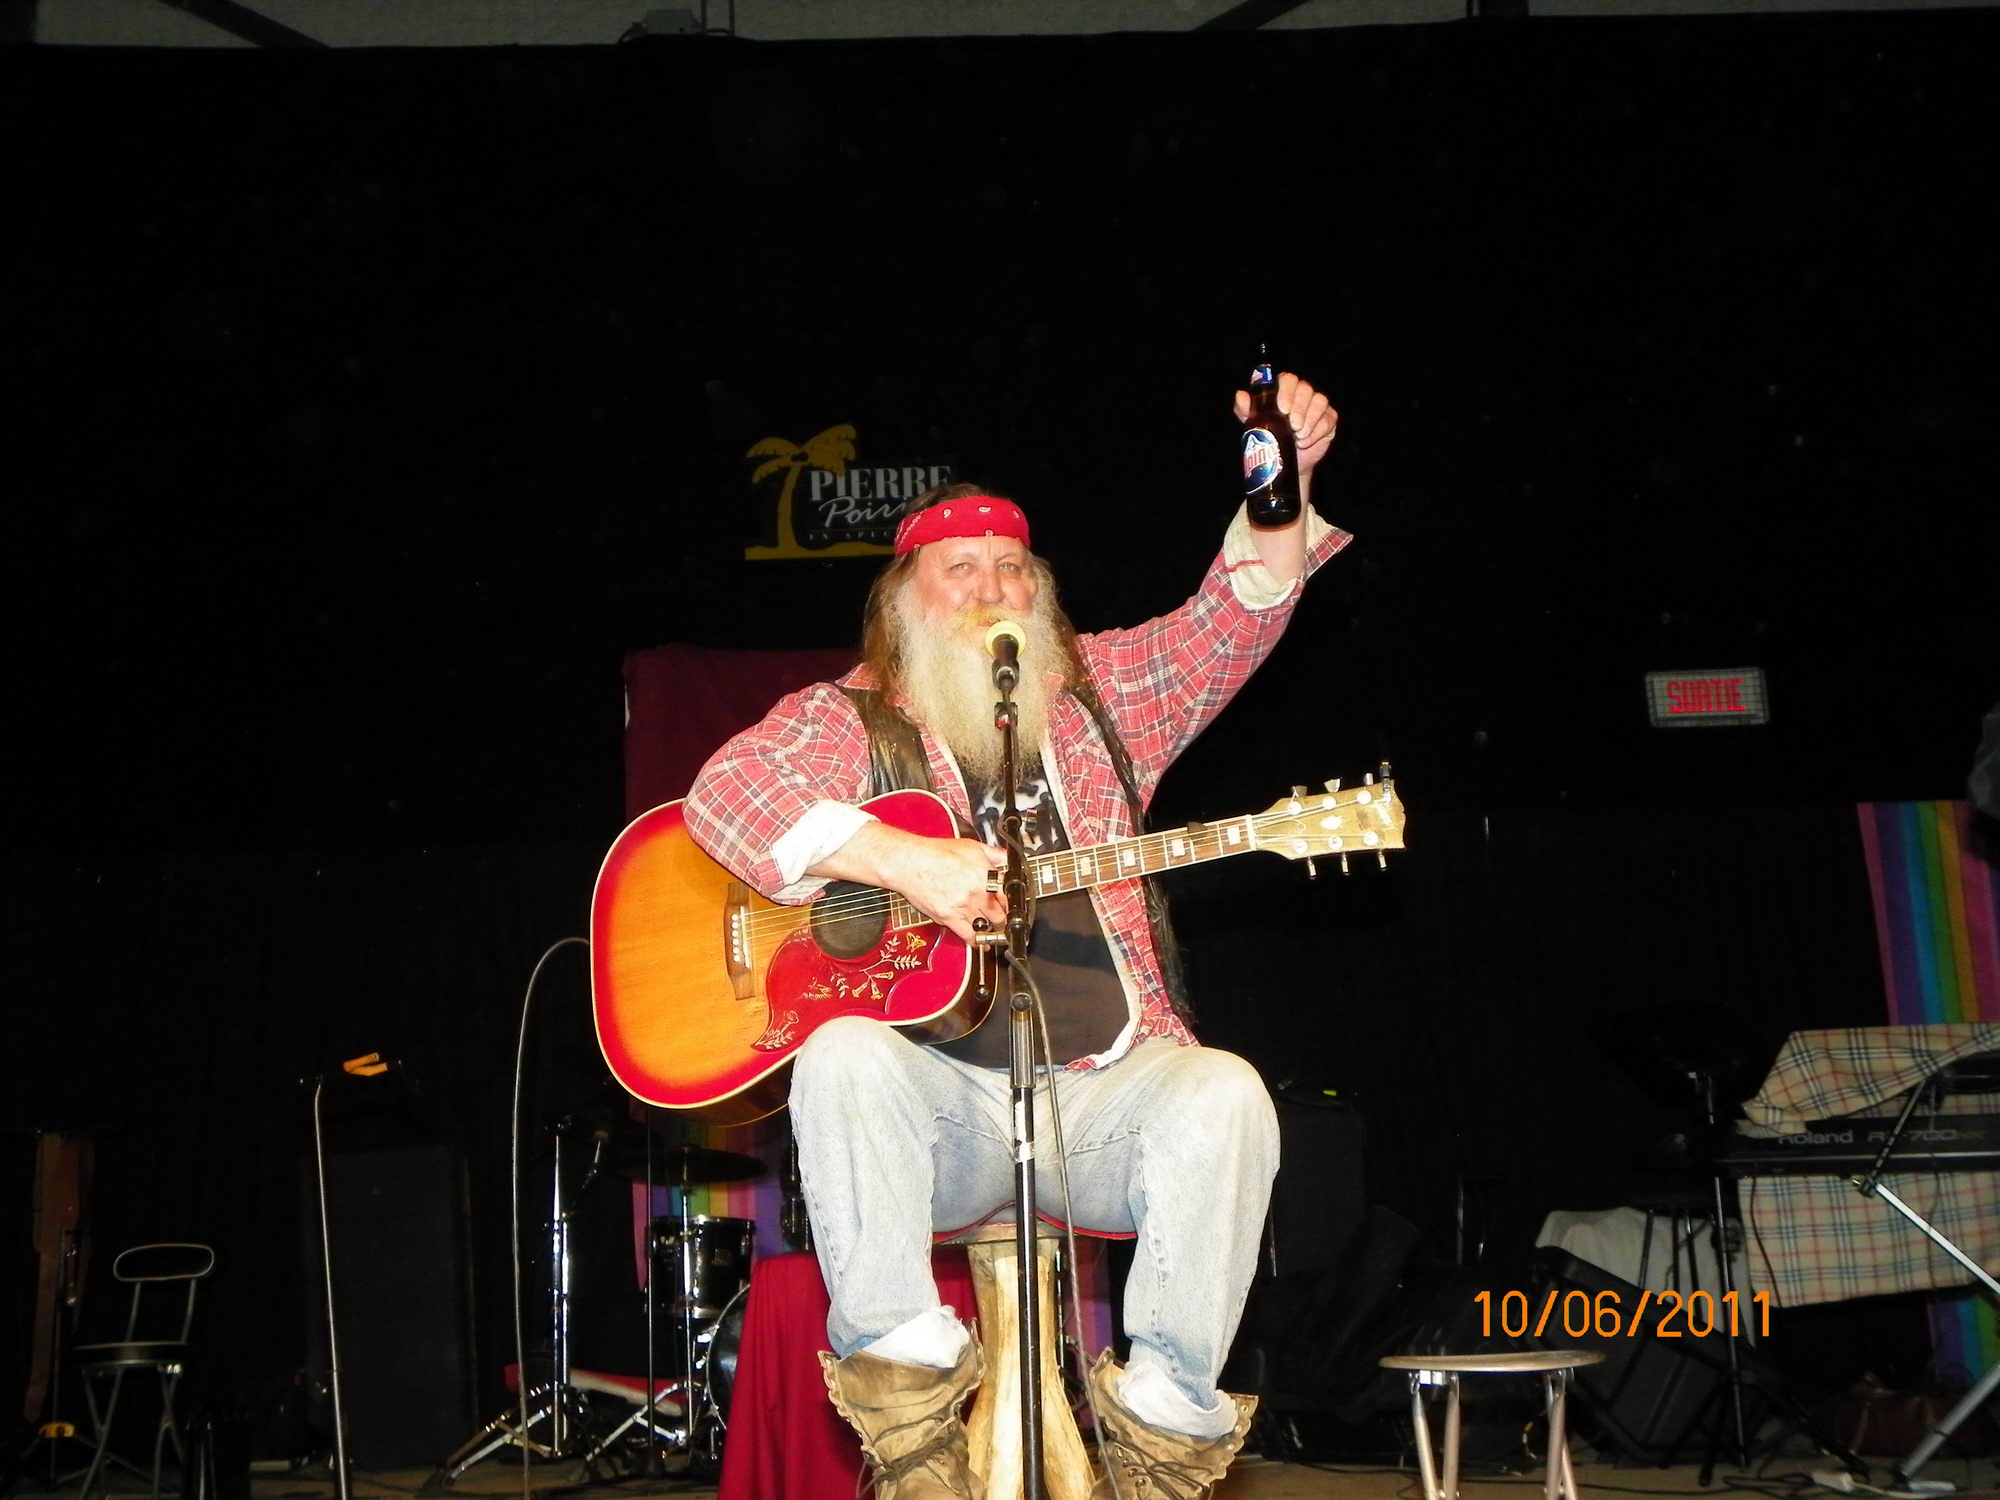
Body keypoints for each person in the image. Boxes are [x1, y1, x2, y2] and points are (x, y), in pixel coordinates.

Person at [683, 369, 1348, 1499]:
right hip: (938, 1119)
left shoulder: (1100, 699)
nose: (992, 588)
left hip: (1097, 1106)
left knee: (1226, 1092)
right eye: (960, 569)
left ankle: (1162, 1435)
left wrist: (1281, 487)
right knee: (841, 1055)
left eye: (1011, 569)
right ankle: (910, 1427)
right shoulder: (848, 718)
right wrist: (899, 859)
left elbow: (1231, 621)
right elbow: (725, 794)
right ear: (902, 600)